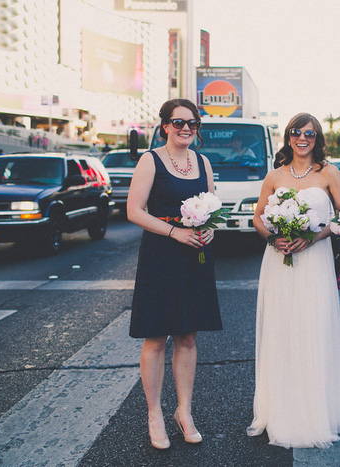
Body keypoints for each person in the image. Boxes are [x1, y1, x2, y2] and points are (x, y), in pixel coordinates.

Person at [247, 113, 340, 448]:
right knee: (282, 329)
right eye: (297, 132)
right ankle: (279, 410)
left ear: (317, 137)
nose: (302, 138)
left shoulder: (329, 173)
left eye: (309, 133)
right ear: (289, 137)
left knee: (313, 327)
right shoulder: (275, 175)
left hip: (314, 262)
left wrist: (316, 236)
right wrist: (271, 238)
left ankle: (315, 411)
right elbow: (258, 217)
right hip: (279, 262)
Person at [127, 99, 222, 450]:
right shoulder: (150, 160)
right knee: (156, 338)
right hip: (161, 254)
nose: (186, 128)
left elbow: (210, 206)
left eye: (192, 123)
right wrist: (173, 232)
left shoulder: (203, 162)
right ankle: (154, 414)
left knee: (188, 336)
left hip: (195, 254)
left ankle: (184, 411)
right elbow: (134, 211)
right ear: (165, 125)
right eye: (179, 122)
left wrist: (210, 229)